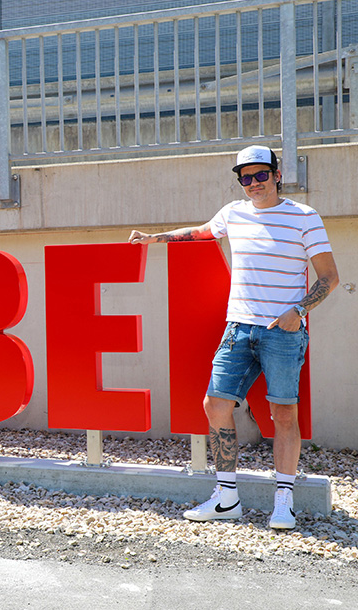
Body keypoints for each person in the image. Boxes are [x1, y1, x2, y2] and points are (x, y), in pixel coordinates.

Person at [129, 145, 339, 530]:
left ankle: (283, 501)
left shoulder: (304, 217)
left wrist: (300, 311)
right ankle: (227, 498)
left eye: (261, 175)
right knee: (215, 404)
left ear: (277, 175)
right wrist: (153, 237)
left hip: (282, 332)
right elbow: (198, 232)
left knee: (283, 414)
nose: (254, 183)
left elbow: (329, 277)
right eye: (245, 177)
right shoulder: (233, 213)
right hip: (238, 328)